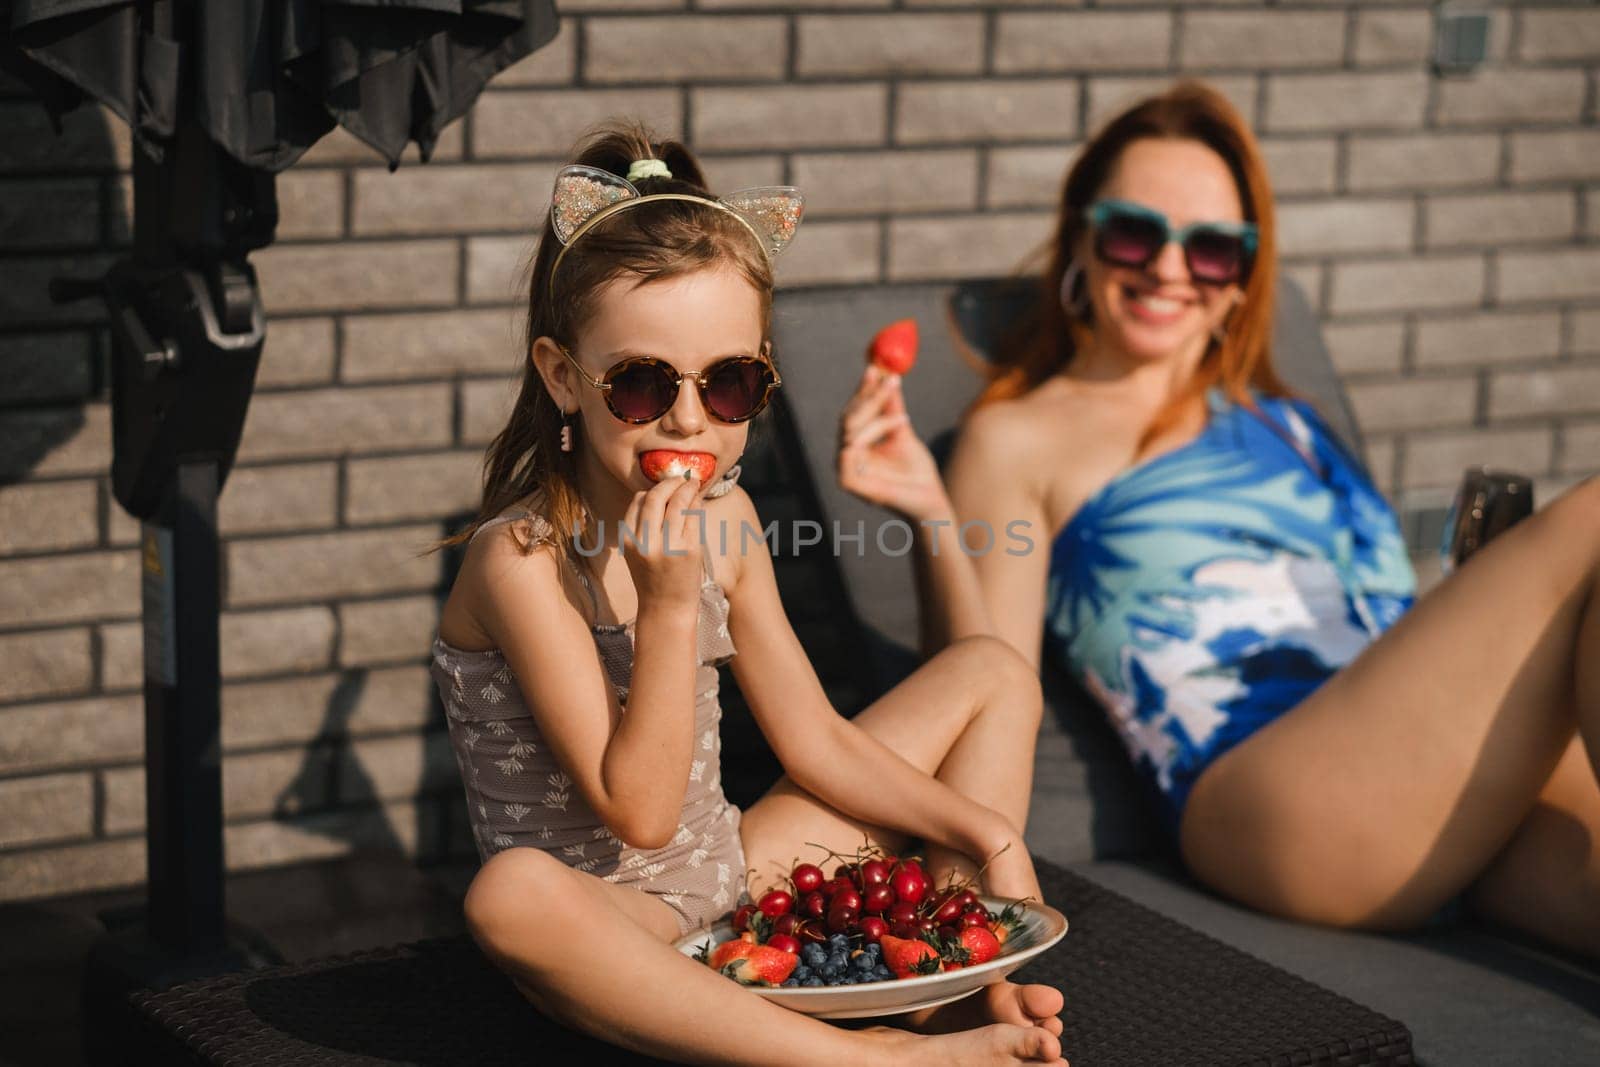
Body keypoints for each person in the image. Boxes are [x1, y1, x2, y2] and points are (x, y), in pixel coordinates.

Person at [837, 81, 1600, 956]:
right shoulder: (1018, 437)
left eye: (1210, 249)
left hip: (1416, 774)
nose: (1169, 268)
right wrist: (934, 515)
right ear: (1081, 234)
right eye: (1134, 232)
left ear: (1242, 277)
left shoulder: (1286, 420)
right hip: (1270, 794)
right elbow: (982, 690)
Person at [430, 122, 1068, 1066]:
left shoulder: (727, 523)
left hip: (733, 872)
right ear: (564, 378)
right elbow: (637, 814)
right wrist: (670, 606)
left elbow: (813, 739)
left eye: (729, 382)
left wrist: (979, 829)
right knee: (510, 897)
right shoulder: (519, 561)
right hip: (619, 928)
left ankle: (949, 983)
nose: (689, 417)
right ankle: (879, 1057)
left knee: (992, 673)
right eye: (642, 383)